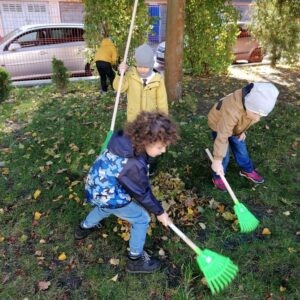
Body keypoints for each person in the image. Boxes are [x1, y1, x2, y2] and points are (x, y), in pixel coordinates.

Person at [75, 111, 179, 273]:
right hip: (108, 193)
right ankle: (135, 260)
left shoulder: (125, 137)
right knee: (141, 218)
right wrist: (159, 212)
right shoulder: (133, 164)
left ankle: (83, 227)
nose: (164, 150)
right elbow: (142, 193)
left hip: (95, 184)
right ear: (146, 141)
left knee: (105, 208)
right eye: (160, 147)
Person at [207, 82, 279, 191]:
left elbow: (246, 119)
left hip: (236, 126)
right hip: (220, 126)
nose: (257, 119)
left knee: (241, 149)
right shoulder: (232, 110)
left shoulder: (251, 105)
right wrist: (217, 160)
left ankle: (247, 170)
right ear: (248, 105)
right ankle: (218, 176)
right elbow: (222, 136)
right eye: (256, 114)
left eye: (261, 115)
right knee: (223, 155)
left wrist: (242, 130)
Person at [113, 43, 168, 122]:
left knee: (148, 134)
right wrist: (120, 74)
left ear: (151, 65)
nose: (142, 69)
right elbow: (119, 88)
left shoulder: (158, 79)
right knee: (133, 134)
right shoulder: (130, 75)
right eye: (139, 66)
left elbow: (162, 102)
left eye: (145, 67)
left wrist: (163, 119)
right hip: (133, 119)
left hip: (150, 119)